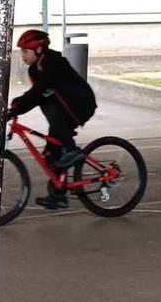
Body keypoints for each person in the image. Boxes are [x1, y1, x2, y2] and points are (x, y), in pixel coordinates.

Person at [10, 28, 97, 210]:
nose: (22, 56)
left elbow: (39, 90)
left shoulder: (53, 62)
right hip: (64, 107)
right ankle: (58, 195)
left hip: (80, 103)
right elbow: (38, 96)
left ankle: (72, 150)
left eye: (25, 51)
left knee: (53, 111)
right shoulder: (34, 70)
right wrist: (17, 109)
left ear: (39, 49)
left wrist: (18, 105)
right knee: (52, 153)